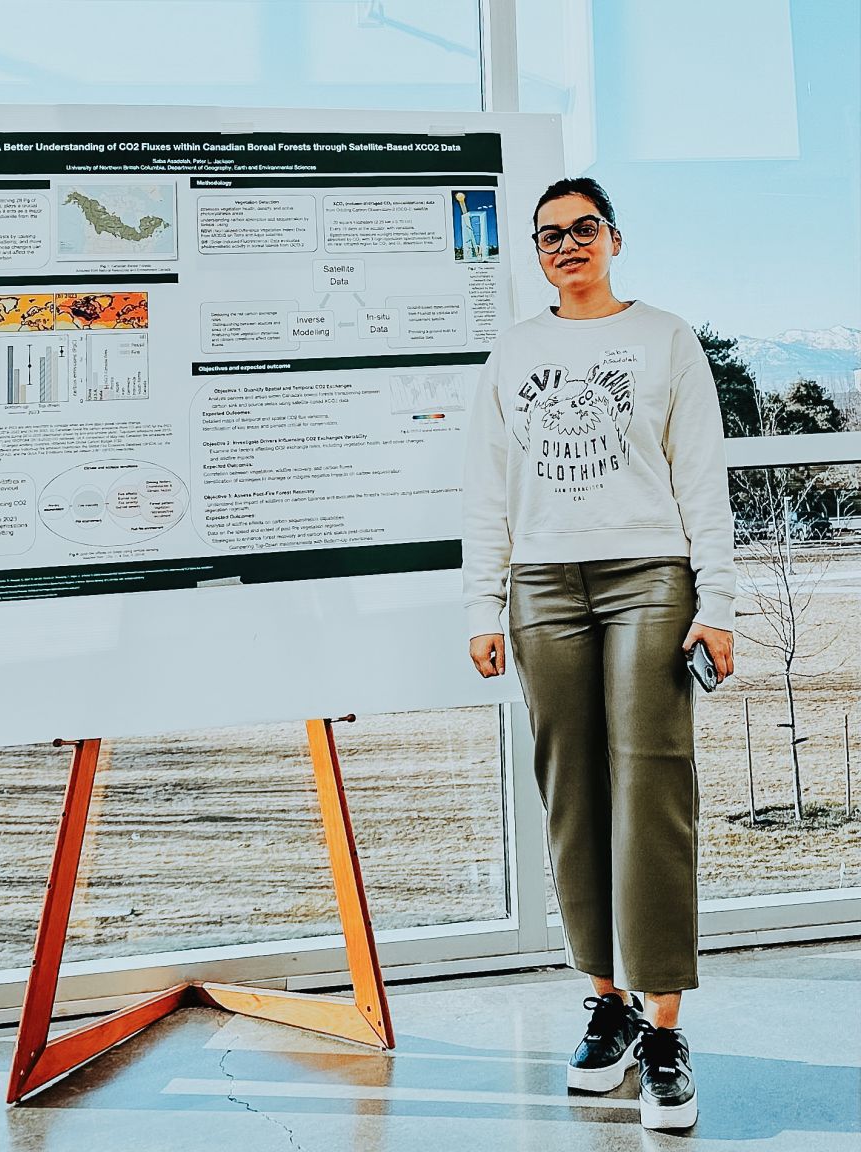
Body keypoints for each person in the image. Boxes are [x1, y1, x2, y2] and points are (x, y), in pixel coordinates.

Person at [462, 177, 736, 1131]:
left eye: (583, 229)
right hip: (542, 585)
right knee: (573, 793)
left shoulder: (665, 338)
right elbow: (487, 488)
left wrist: (720, 604)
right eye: (549, 236)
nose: (566, 245)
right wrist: (481, 604)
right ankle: (607, 1005)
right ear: (537, 253)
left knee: (652, 788)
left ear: (614, 239)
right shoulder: (515, 348)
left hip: (649, 576)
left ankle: (663, 1029)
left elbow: (703, 475)